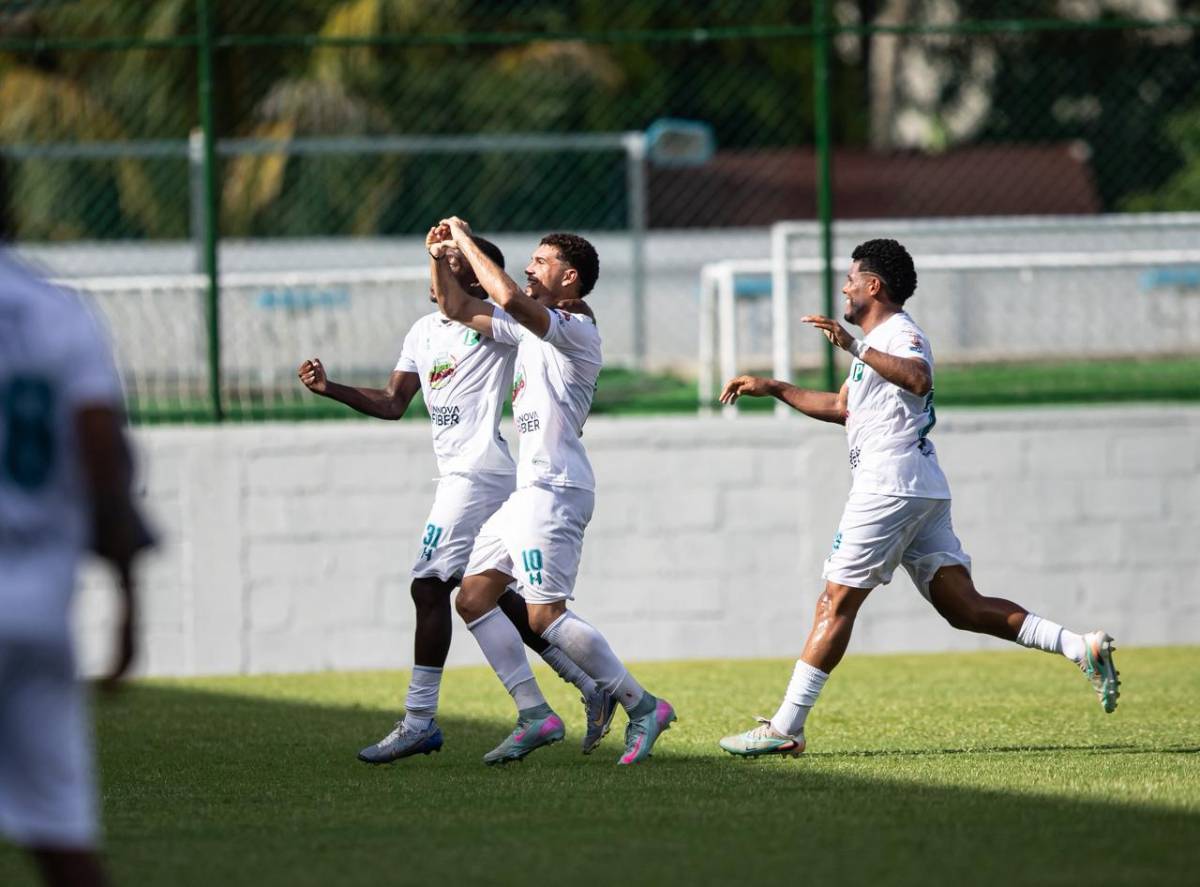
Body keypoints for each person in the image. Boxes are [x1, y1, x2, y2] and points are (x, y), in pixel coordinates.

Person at [717, 238, 1120, 758]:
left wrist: (854, 346)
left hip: (888, 485)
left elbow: (918, 377)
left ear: (873, 286)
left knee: (834, 602)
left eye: (850, 278)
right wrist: (772, 387)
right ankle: (1078, 646)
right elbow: (843, 407)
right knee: (963, 607)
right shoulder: (878, 344)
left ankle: (785, 727)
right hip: (918, 487)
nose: (843, 286)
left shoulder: (899, 336)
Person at [298, 236, 615, 763]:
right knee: (488, 596)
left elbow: (546, 319)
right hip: (457, 476)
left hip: (482, 474)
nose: (436, 272)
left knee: (427, 586)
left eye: (448, 263)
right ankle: (581, 685)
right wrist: (332, 389)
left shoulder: (494, 325)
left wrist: (575, 304)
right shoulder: (422, 333)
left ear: (475, 276)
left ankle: (420, 719)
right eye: (435, 262)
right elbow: (394, 402)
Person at [430, 217, 676, 766]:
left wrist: (465, 241)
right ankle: (535, 715)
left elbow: (511, 299)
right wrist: (442, 258)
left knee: (544, 616)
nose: (528, 267)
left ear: (569, 278)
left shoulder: (575, 329)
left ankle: (643, 705)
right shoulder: (534, 328)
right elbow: (454, 308)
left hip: (556, 489)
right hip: (528, 491)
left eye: (540, 261)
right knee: (472, 597)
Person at [0, 249, 154, 886]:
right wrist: (127, 599)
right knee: (63, 843)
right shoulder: (55, 311)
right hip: (36, 612)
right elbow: (104, 457)